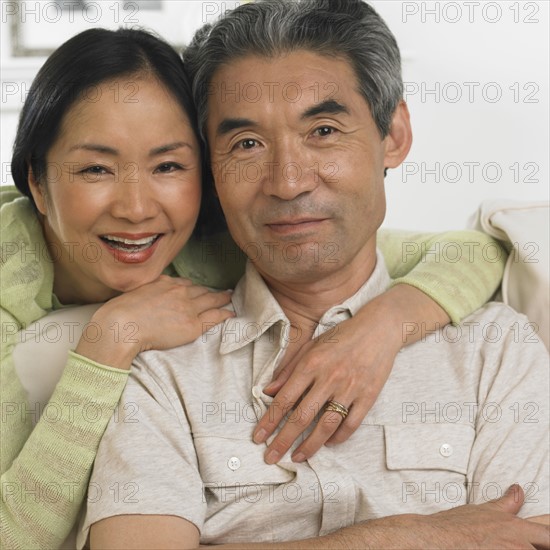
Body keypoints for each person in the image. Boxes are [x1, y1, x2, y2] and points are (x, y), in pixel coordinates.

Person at [0, 25, 504, 550]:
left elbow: (473, 252)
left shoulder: (211, 244)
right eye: (96, 168)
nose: (136, 208)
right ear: (36, 180)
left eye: (169, 165)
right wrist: (108, 341)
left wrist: (378, 330)